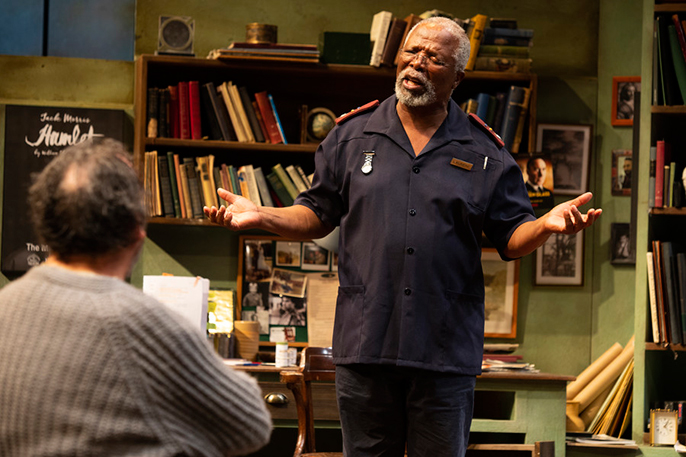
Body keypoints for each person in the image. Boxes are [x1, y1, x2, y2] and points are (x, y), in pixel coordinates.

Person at [205, 17, 601, 457]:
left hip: (444, 353)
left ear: (458, 77)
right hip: (365, 345)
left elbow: (511, 237)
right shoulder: (351, 137)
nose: (416, 63)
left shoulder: (486, 152)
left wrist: (545, 226)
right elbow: (316, 214)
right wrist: (262, 214)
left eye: (433, 57)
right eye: (411, 52)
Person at [0, 139, 272, 457]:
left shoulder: (5, 307)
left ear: (43, 224)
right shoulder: (145, 324)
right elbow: (251, 425)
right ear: (136, 231)